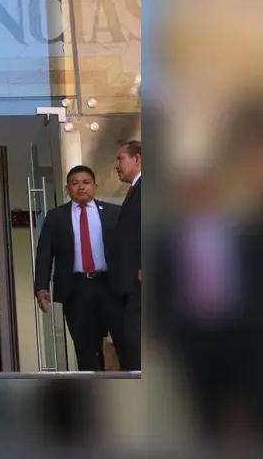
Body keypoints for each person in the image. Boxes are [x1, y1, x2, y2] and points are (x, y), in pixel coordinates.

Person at [33, 165, 127, 371]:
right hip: (76, 289)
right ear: (67, 189)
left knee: (125, 342)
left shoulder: (115, 213)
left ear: (95, 186)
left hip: (111, 287)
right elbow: (44, 254)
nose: (81, 187)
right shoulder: (56, 217)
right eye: (75, 183)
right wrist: (41, 287)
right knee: (85, 348)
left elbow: (130, 247)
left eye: (86, 182)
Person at [113, 140, 142, 371]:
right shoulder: (135, 189)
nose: (116, 165)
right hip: (130, 283)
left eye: (120, 158)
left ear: (137, 159)